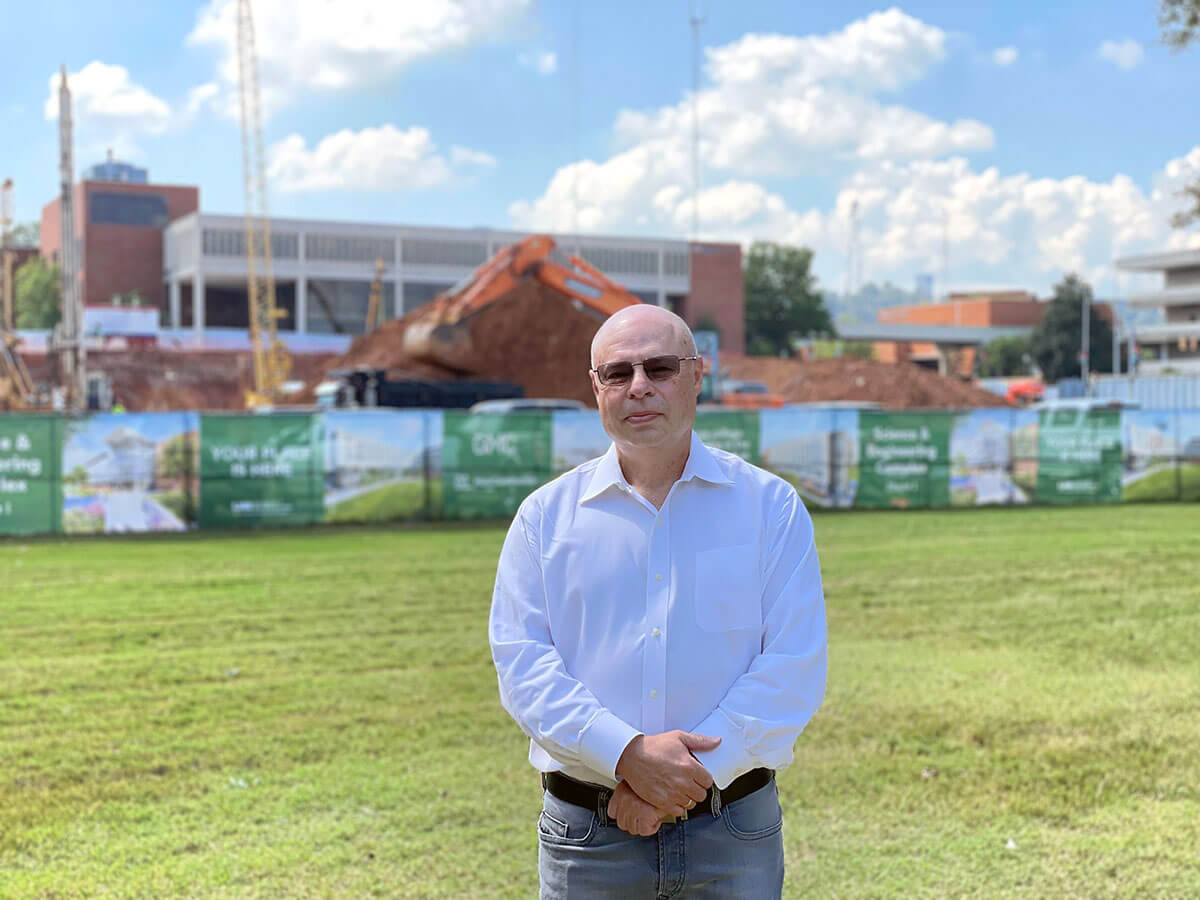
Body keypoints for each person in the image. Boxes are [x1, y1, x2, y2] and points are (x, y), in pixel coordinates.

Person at [489, 304, 827, 898]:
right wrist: (624, 757)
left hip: (732, 830)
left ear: (698, 376)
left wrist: (674, 783)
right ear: (596, 388)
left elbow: (793, 667)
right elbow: (523, 667)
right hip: (588, 837)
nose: (638, 386)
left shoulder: (769, 507)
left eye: (660, 367)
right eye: (618, 373)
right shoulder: (544, 518)